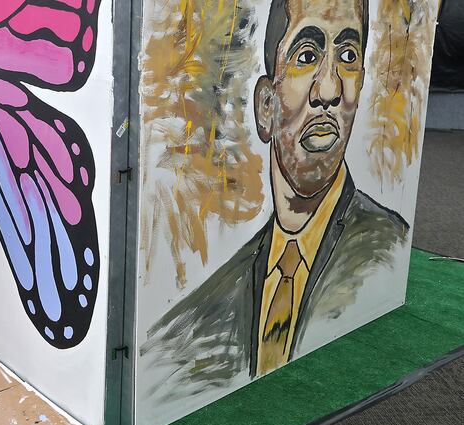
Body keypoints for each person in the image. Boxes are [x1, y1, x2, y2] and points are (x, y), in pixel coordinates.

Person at [140, 0, 409, 404]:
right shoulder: (198, 319)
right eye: (306, 56)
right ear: (266, 106)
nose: (329, 91)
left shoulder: (387, 246)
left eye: (348, 56)